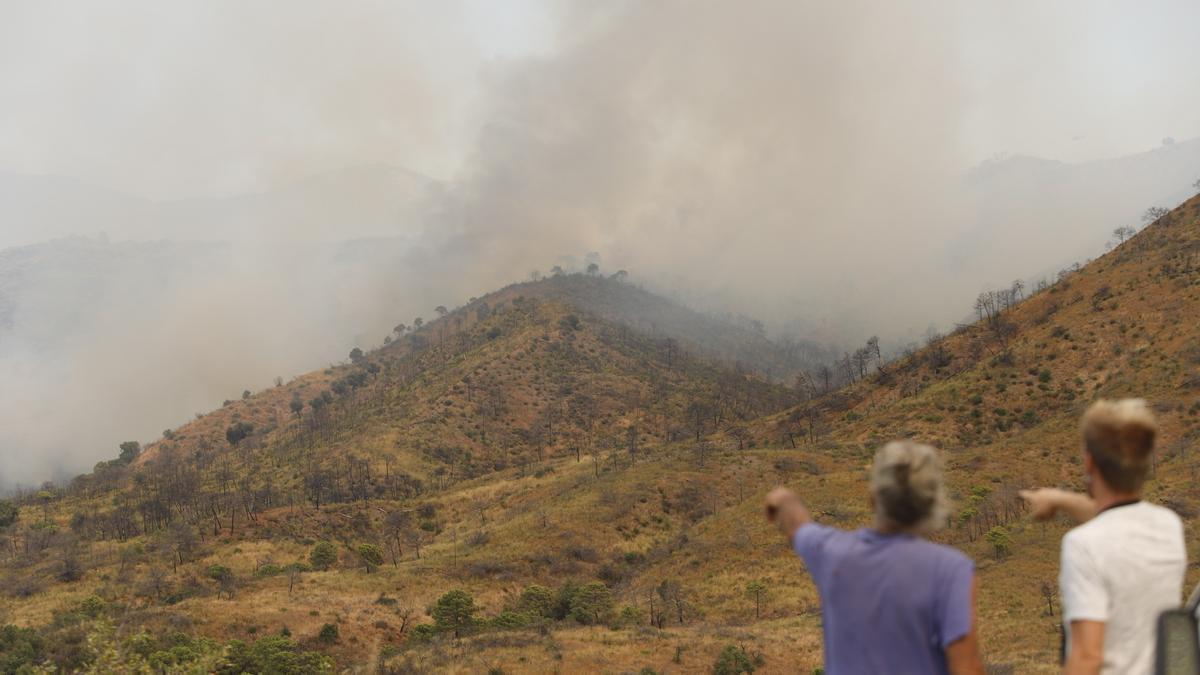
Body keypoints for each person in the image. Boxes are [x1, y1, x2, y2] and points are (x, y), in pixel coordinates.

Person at [765, 440, 984, 675]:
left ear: (872, 499)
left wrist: (783, 498)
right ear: (932, 504)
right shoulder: (951, 571)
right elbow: (967, 668)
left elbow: (797, 525)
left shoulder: (832, 553)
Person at [1021, 398, 1186, 675]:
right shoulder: (1168, 525)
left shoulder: (1083, 545)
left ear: (1089, 462)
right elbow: (1118, 519)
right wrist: (1060, 499)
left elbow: (1087, 657)